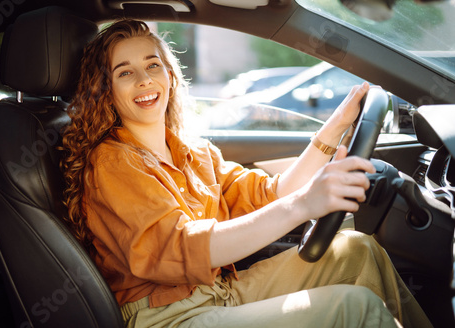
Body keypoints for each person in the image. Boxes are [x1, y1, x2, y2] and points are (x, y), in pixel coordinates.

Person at [60, 20, 432, 328]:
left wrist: (333, 130)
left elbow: (270, 193)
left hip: (220, 292)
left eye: (153, 64)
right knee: (355, 307)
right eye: (125, 72)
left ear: (170, 75)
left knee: (358, 249)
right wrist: (305, 204)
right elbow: (182, 247)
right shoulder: (112, 162)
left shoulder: (193, 150)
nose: (144, 79)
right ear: (106, 91)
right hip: (169, 317)